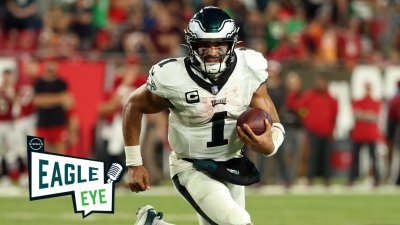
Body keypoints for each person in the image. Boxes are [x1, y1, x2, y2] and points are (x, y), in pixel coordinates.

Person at [122, 6, 285, 225]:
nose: (212, 51)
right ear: (191, 45)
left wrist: (270, 144)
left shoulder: (248, 69)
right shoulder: (173, 78)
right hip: (193, 167)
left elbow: (274, 123)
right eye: (204, 44)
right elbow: (133, 105)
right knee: (238, 222)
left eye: (219, 44)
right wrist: (134, 163)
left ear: (232, 43)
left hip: (232, 163)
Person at [295, 74, 338, 186]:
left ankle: (327, 179)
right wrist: (307, 120)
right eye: (319, 82)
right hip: (313, 132)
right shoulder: (309, 96)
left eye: (323, 82)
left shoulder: (331, 99)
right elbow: (300, 109)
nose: (321, 84)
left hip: (327, 132)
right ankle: (310, 178)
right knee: (312, 156)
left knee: (326, 157)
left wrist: (332, 129)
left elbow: (334, 116)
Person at [32, 60, 73, 154]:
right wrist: (58, 99)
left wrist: (46, 99)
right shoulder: (38, 83)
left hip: (58, 124)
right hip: (42, 124)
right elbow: (37, 101)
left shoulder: (62, 83)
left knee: (60, 156)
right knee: (39, 155)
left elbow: (67, 101)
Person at [348, 83, 382, 187]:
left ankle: (376, 178)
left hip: (371, 134)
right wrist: (367, 115)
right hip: (359, 134)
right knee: (355, 158)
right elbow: (357, 114)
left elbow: (374, 116)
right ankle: (352, 178)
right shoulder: (358, 101)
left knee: (373, 158)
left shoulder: (375, 102)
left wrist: (363, 114)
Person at [387, 81, 400, 186]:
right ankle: (394, 180)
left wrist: (390, 135)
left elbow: (391, 118)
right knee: (397, 156)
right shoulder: (396, 99)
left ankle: (394, 180)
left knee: (397, 156)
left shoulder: (395, 99)